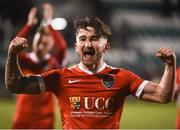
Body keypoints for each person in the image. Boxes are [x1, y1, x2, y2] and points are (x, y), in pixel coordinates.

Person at [5, 16, 176, 129]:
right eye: (83, 39)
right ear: (77, 47)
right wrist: (12, 55)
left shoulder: (122, 77)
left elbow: (163, 95)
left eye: (94, 39)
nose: (88, 44)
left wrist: (170, 65)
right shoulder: (60, 78)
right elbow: (15, 85)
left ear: (106, 47)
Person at [11, 3, 67, 129]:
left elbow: (62, 48)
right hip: (22, 119)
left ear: (52, 43)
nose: (43, 38)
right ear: (33, 38)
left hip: (44, 121)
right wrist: (29, 24)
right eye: (40, 34)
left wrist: (49, 23)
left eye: (48, 36)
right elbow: (14, 45)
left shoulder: (55, 63)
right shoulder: (24, 60)